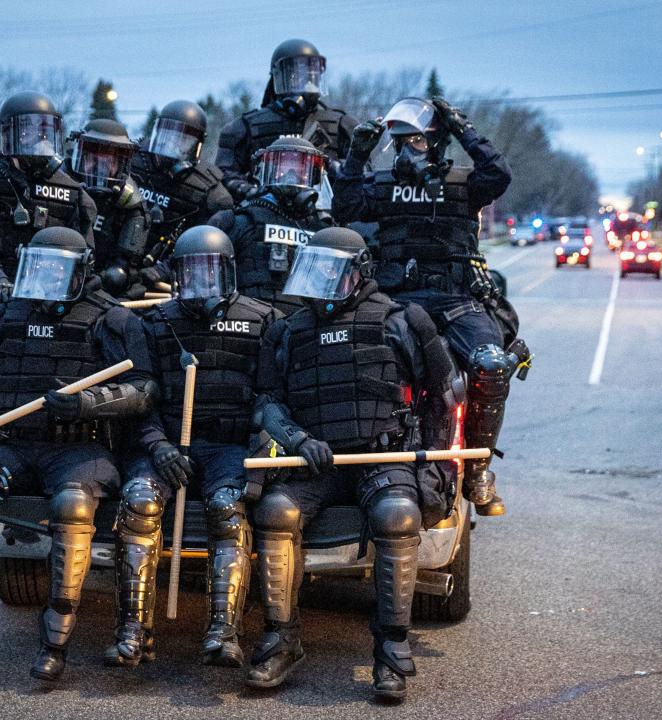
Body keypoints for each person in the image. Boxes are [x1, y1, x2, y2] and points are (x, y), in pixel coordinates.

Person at [0, 227, 157, 681]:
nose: (48, 277)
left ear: (82, 271)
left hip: (80, 450)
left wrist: (86, 403)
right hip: (13, 447)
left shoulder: (113, 320)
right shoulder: (4, 315)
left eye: (59, 268)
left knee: (71, 506)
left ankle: (55, 640)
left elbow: (144, 391)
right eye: (40, 267)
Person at [246, 227, 459, 700]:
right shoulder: (287, 330)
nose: (320, 282)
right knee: (276, 513)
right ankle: (282, 640)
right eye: (314, 270)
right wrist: (296, 438)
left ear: (360, 273)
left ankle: (391, 652)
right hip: (314, 462)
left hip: (383, 455)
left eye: (331, 272)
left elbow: (442, 398)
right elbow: (266, 403)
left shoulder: (402, 321)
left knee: (396, 516)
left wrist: (439, 470)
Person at [105, 225, 280, 669]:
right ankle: (133, 631)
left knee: (227, 508)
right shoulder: (157, 322)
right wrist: (159, 447)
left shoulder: (262, 320)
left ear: (229, 272)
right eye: (191, 274)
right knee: (140, 502)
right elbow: (139, 396)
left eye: (210, 273)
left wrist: (258, 446)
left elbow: (271, 396)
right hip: (166, 443)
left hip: (228, 446)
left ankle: (223, 633)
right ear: (177, 276)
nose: (201, 285)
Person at [333, 96, 518, 516]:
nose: (404, 150)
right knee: (348, 357)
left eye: (415, 141)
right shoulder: (381, 186)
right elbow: (345, 206)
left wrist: (463, 128)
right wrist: (356, 155)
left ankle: (477, 467)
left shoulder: (464, 183)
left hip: (456, 302)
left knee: (492, 364)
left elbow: (499, 174)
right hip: (394, 302)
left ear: (436, 143)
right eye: (398, 142)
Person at [0, 92, 97, 313]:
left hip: (54, 290)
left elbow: (83, 252)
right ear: (10, 135)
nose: (40, 139)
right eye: (29, 132)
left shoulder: (73, 192)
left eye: (45, 131)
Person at [215, 38, 357, 202]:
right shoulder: (245, 126)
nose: (307, 84)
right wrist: (247, 190)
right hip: (264, 208)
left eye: (311, 76)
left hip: (326, 213)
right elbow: (224, 173)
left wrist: (333, 167)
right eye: (297, 76)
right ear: (277, 77)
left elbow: (360, 175)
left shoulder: (342, 124)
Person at [210, 136, 334, 316]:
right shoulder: (239, 220)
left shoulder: (322, 231)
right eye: (283, 168)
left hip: (302, 328)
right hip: (251, 321)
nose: (291, 176)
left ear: (313, 177)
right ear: (267, 171)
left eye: (300, 170)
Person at [129, 100, 234, 275]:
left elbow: (203, 246)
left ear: (197, 146)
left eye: (183, 140)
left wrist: (164, 271)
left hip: (168, 274)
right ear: (157, 132)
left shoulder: (211, 193)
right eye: (167, 137)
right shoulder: (130, 162)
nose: (172, 145)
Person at [68, 118, 153, 299]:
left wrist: (95, 282)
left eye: (108, 160)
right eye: (93, 158)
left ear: (120, 163)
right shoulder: (62, 184)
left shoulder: (131, 202)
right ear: (81, 155)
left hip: (103, 286)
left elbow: (123, 269)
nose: (99, 166)